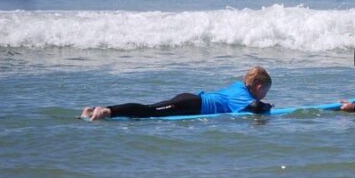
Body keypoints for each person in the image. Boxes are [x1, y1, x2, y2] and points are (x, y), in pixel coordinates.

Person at [81, 66, 273, 120]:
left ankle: (91, 111)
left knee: (149, 111)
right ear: (258, 87)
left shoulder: (238, 86)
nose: (264, 95)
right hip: (192, 105)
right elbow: (255, 107)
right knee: (149, 111)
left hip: (191, 100)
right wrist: (267, 107)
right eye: (266, 91)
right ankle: (106, 111)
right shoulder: (245, 96)